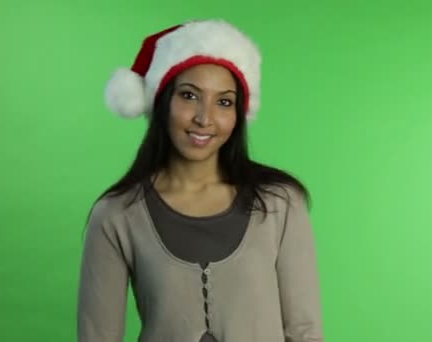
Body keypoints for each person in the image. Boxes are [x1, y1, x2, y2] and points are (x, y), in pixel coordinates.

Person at [76, 19, 324, 342]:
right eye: (189, 95)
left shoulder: (281, 203)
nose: (204, 118)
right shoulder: (115, 215)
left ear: (238, 114)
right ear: (162, 101)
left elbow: (305, 332)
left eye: (224, 102)